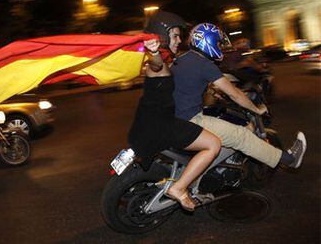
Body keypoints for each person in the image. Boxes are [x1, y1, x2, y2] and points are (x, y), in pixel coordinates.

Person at [171, 22, 307, 170]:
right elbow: (235, 94)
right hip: (190, 120)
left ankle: (219, 167)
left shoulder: (182, 59)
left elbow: (186, 85)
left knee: (222, 123)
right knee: (241, 136)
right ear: (208, 41)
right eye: (217, 42)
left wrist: (212, 92)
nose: (219, 46)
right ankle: (290, 159)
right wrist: (256, 109)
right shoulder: (205, 64)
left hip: (173, 117)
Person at [128, 12, 221, 211]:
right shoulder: (156, 63)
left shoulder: (169, 61)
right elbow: (156, 65)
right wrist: (154, 52)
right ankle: (179, 188)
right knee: (213, 144)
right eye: (175, 36)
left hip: (146, 122)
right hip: (161, 126)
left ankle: (182, 177)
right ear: (162, 35)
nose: (180, 40)